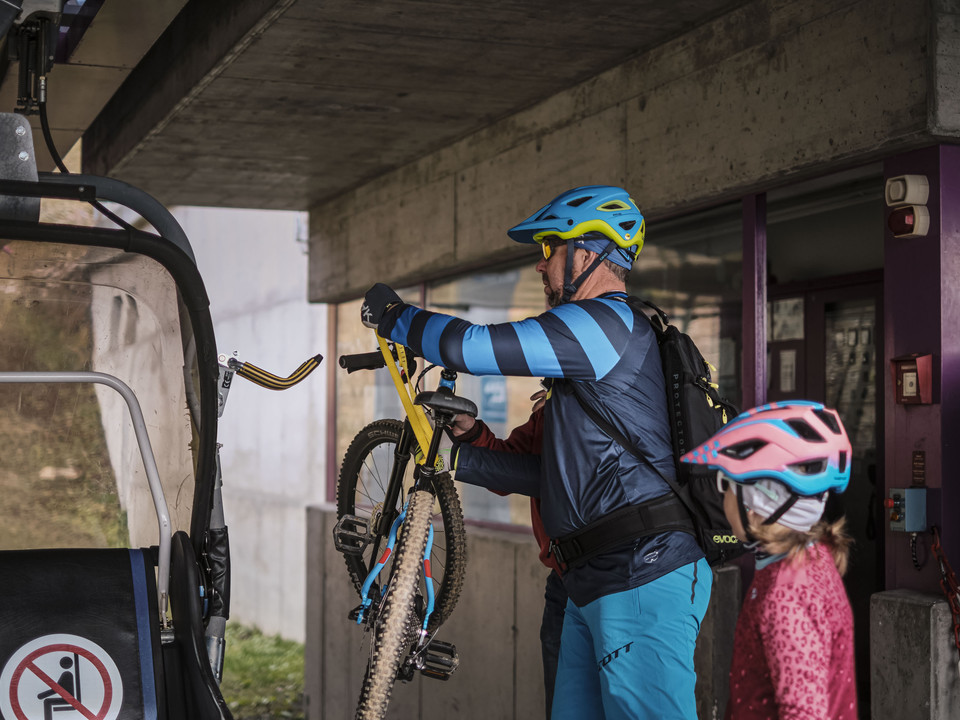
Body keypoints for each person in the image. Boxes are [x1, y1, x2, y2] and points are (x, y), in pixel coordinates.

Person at [362, 185, 712, 719]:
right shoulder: (587, 356)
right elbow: (548, 474)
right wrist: (465, 444)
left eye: (550, 248)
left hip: (642, 573)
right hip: (588, 579)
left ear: (588, 253)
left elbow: (470, 346)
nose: (540, 266)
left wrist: (393, 315)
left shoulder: (605, 322)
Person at [679, 400, 858, 720]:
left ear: (760, 502)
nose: (723, 499)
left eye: (727, 485)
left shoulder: (788, 595)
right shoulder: (809, 559)